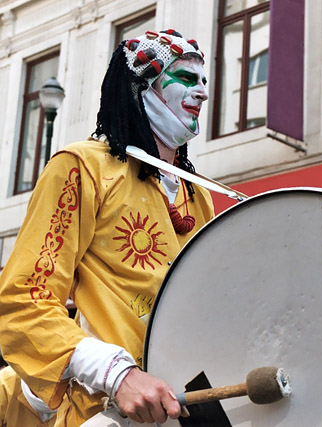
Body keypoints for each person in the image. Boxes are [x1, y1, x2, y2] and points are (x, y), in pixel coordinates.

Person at [0, 29, 215, 425]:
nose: (201, 92)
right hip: (103, 410)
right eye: (185, 78)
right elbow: (24, 301)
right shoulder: (82, 167)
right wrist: (118, 375)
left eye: (204, 81)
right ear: (140, 88)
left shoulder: (197, 196)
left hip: (183, 408)